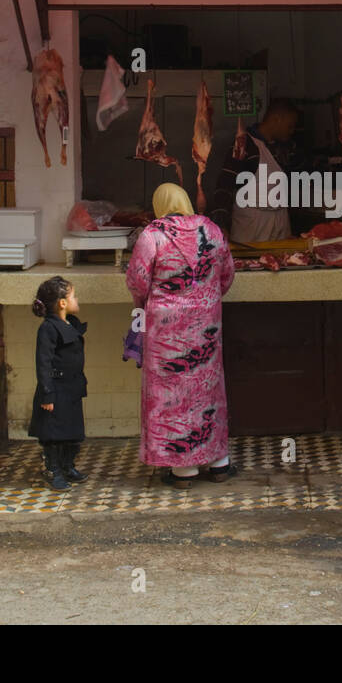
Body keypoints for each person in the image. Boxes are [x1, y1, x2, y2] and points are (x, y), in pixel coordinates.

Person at [126, 182, 237, 488]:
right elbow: (226, 275)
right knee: (207, 391)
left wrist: (149, 303)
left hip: (166, 333)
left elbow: (137, 282)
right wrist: (205, 297)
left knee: (171, 396)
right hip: (206, 327)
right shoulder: (212, 231)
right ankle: (219, 464)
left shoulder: (152, 235)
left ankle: (182, 471)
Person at [209, 98, 300, 242]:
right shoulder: (245, 145)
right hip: (252, 226)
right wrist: (220, 224)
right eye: (290, 126)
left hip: (280, 223)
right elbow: (225, 184)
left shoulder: (284, 148)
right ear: (277, 119)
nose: (292, 131)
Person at [29, 276, 89, 490]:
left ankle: (67, 466)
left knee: (71, 431)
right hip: (55, 389)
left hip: (71, 389)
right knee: (54, 434)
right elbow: (43, 363)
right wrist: (47, 394)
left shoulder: (69, 324)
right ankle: (53, 469)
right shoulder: (48, 329)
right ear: (62, 303)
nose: (77, 299)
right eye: (73, 296)